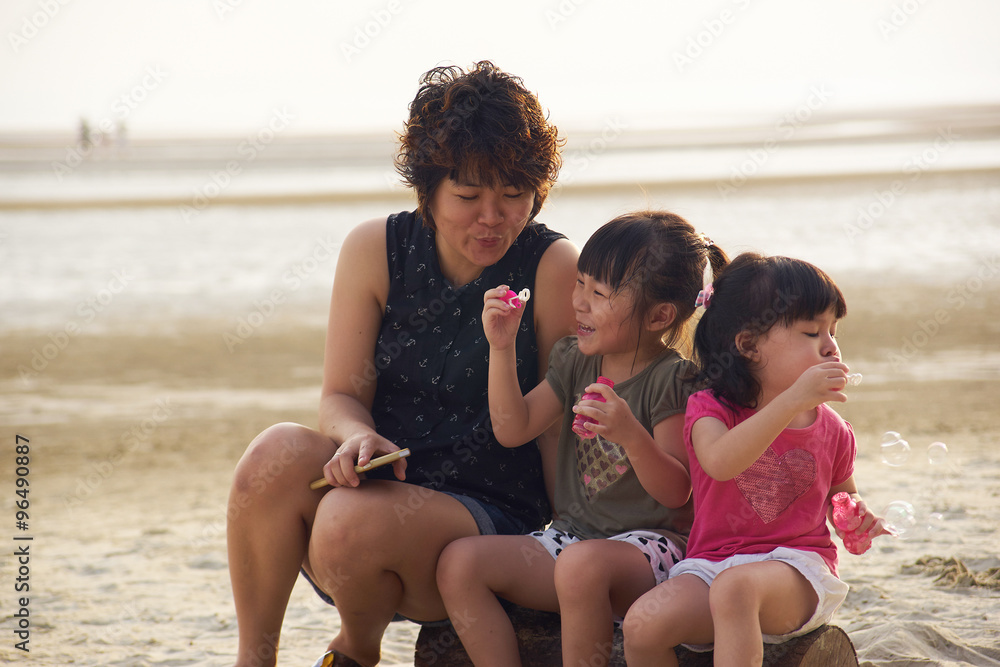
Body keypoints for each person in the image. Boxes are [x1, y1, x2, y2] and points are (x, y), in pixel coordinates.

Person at [226, 61, 579, 667]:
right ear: (428, 190)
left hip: (484, 518)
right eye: (468, 196)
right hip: (380, 478)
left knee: (348, 521)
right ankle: (254, 658)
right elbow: (339, 395)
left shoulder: (551, 267)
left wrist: (573, 541)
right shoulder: (375, 250)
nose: (492, 218)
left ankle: (355, 649)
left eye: (513, 195)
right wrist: (358, 436)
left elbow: (554, 427)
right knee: (273, 453)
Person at [436, 211, 729, 667]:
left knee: (581, 567)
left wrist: (631, 435)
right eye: (580, 283)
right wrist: (502, 347)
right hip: (573, 542)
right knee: (459, 564)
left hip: (652, 552)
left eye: (599, 293)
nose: (579, 302)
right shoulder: (574, 360)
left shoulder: (672, 379)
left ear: (659, 316)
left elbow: (678, 494)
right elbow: (513, 428)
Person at [623, 252, 890, 667]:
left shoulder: (833, 428)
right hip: (711, 565)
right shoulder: (709, 409)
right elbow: (721, 462)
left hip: (797, 571)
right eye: (811, 331)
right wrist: (791, 401)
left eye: (833, 331)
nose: (830, 345)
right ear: (747, 345)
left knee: (736, 589)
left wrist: (856, 520)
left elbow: (843, 500)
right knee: (642, 626)